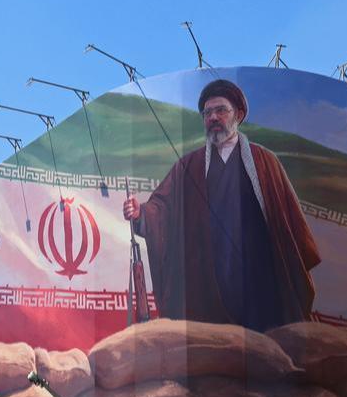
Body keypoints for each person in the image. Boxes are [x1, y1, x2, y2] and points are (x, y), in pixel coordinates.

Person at [123, 78, 320, 332]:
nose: (213, 117)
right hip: (206, 282)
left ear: (237, 115)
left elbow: (290, 227)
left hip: (259, 282)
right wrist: (141, 213)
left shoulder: (265, 162)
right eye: (207, 113)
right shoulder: (189, 166)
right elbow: (162, 207)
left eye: (220, 111)